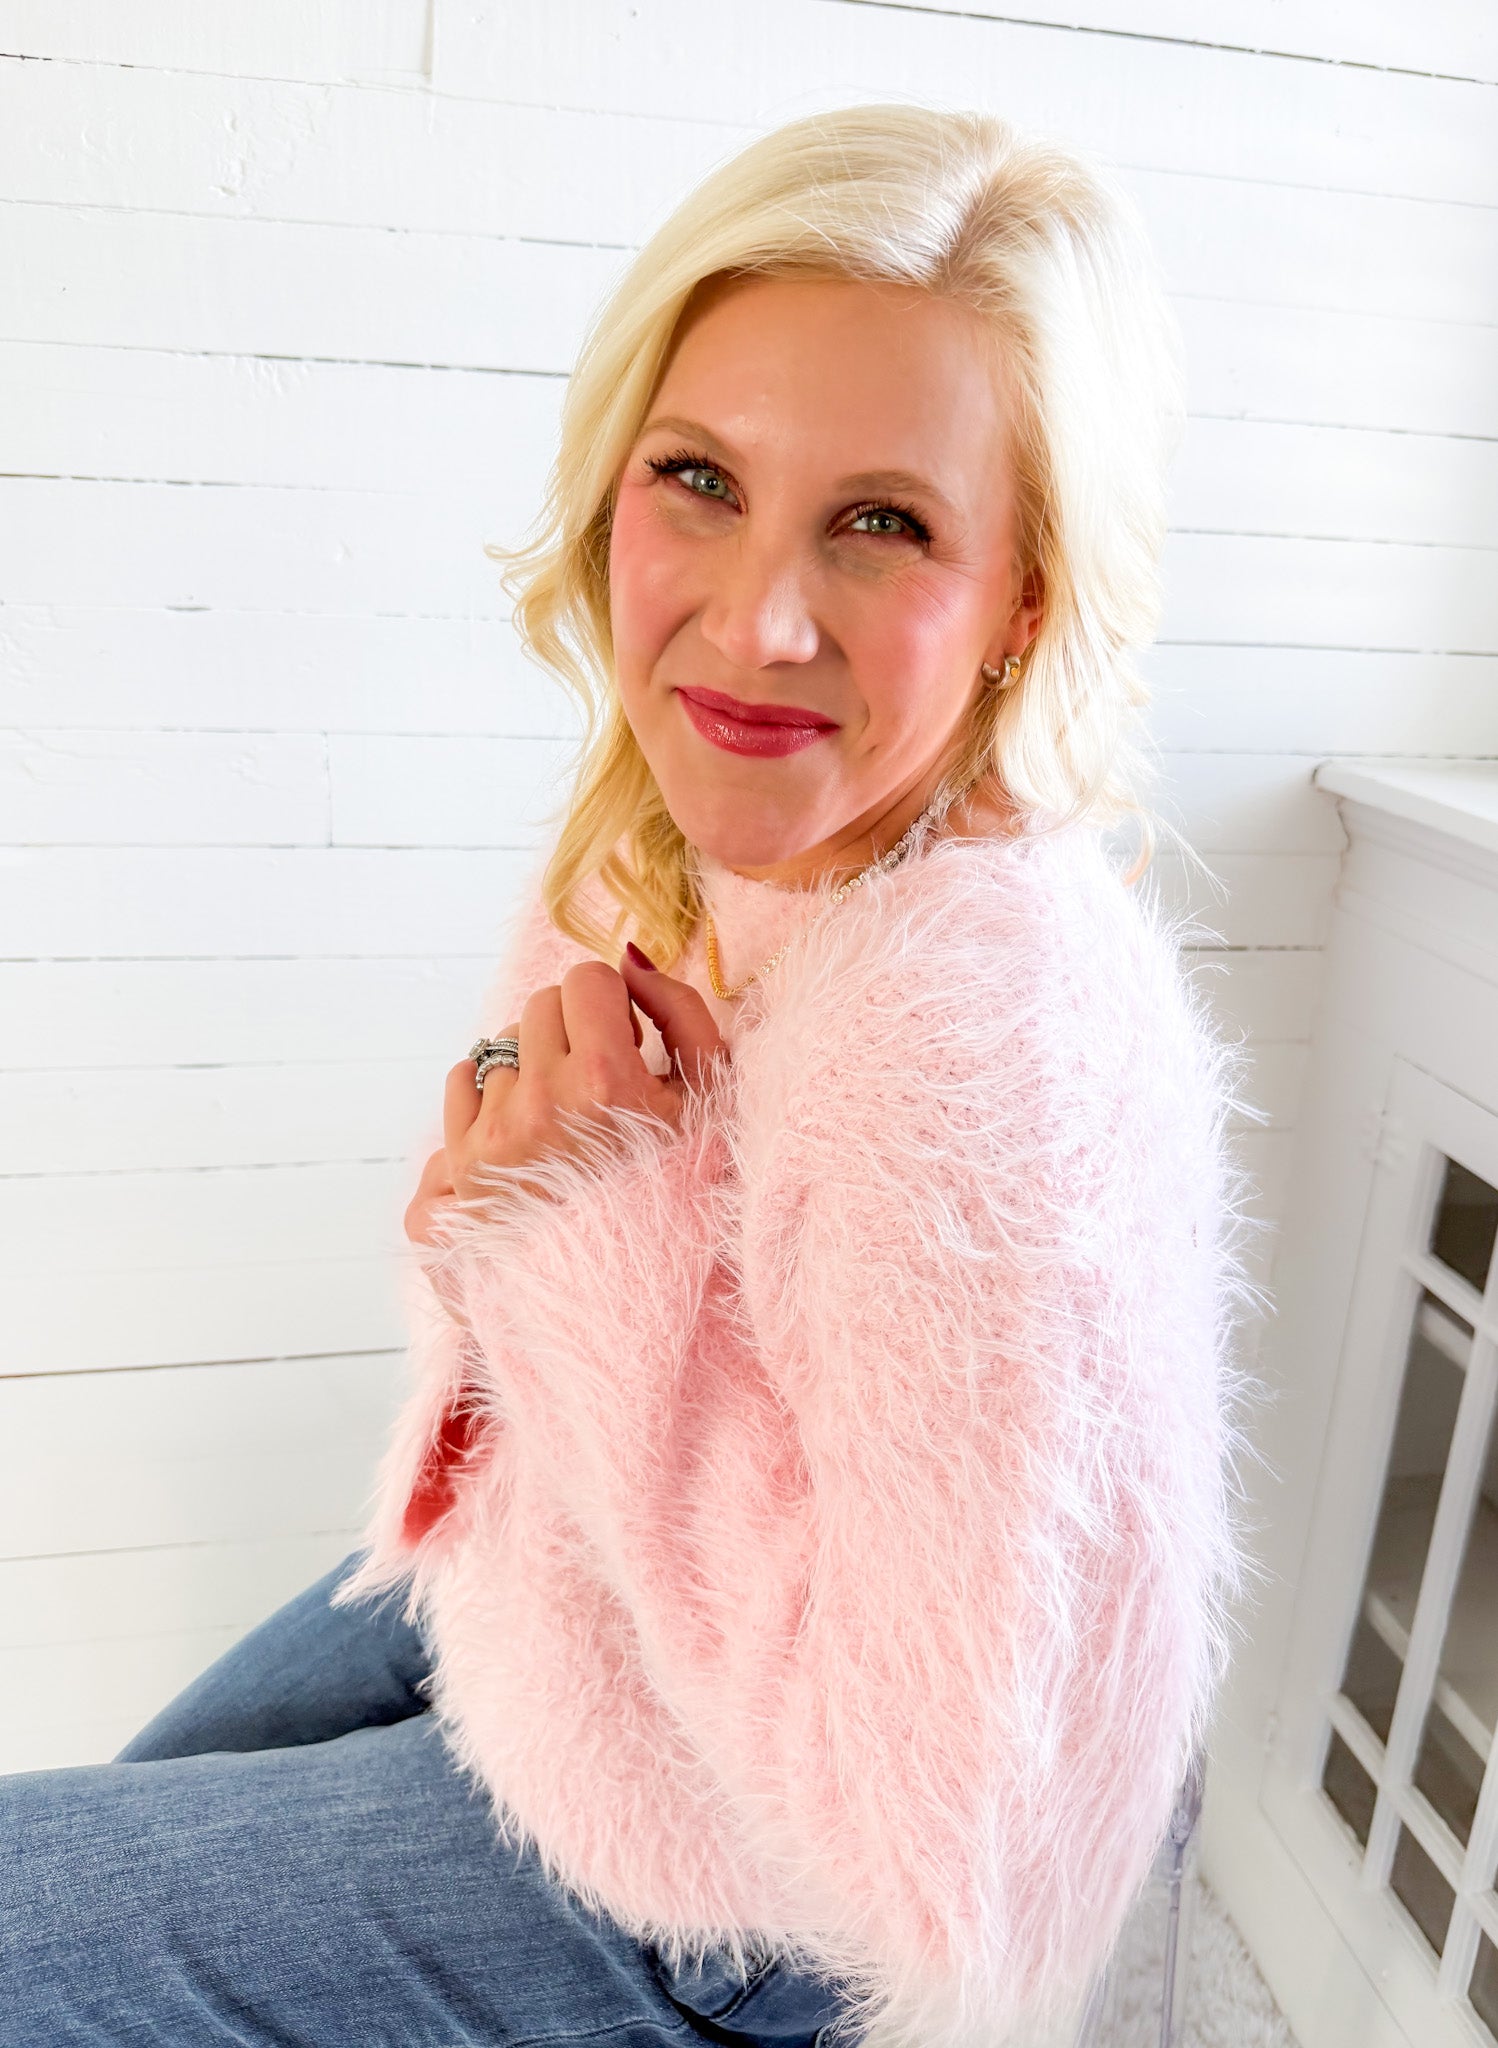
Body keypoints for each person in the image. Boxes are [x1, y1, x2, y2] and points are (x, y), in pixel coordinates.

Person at [0, 103, 1269, 2048]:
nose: (754, 620)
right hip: (544, 1584)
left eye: (881, 521)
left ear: (1019, 602)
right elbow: (538, 1305)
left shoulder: (963, 1045)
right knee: (116, 1807)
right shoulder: (678, 833)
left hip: (745, 1887)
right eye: (698, 478)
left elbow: (926, 1876)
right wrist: (497, 1209)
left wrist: (585, 1234)